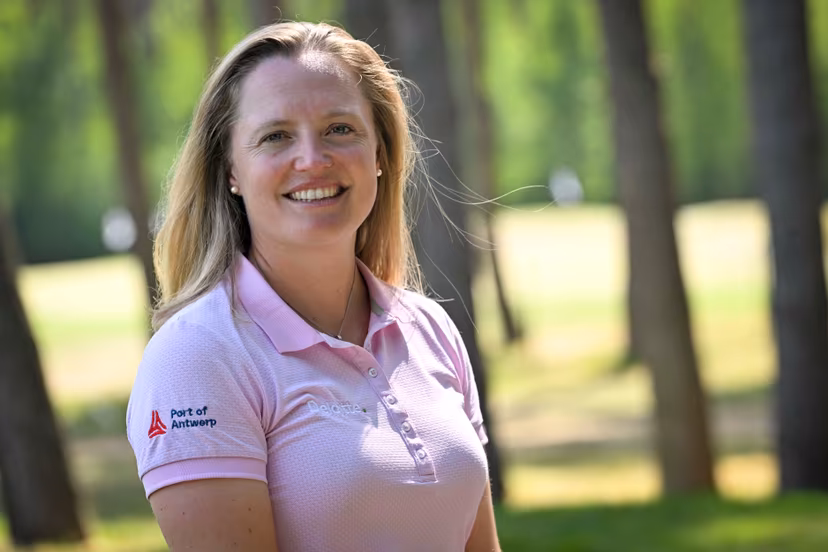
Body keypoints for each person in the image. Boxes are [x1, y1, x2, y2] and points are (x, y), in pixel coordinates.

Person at [126, 21, 500, 552]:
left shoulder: (429, 328)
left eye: (340, 129)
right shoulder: (197, 356)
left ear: (379, 154)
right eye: (276, 136)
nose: (312, 159)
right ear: (230, 168)